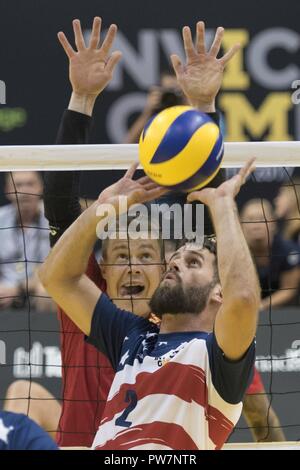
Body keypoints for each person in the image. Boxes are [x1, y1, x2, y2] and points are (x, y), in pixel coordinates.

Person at [39, 22, 260, 450]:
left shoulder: (210, 346)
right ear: (101, 268)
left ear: (163, 271)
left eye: (148, 255)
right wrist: (82, 99)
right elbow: (60, 220)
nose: (136, 264)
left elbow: (226, 270)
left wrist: (204, 111)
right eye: (120, 255)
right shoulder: (122, 330)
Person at [0, 171, 51, 311]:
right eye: (19, 185)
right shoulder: (1, 219)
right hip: (4, 289)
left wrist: (19, 289)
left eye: (30, 184)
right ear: (8, 191)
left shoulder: (53, 221)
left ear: (41, 188)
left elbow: (54, 272)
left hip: (39, 288)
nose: (24, 191)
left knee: (45, 294)